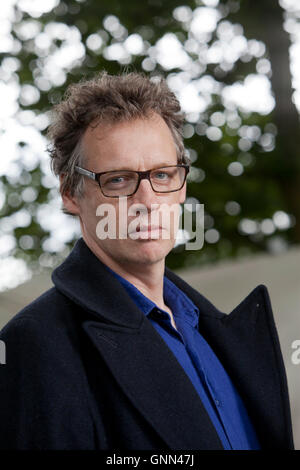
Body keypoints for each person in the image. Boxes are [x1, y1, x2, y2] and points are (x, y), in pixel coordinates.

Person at [0, 72, 294, 450]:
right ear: (71, 193)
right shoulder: (34, 347)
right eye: (119, 180)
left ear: (182, 184)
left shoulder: (211, 329)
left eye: (161, 174)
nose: (148, 201)